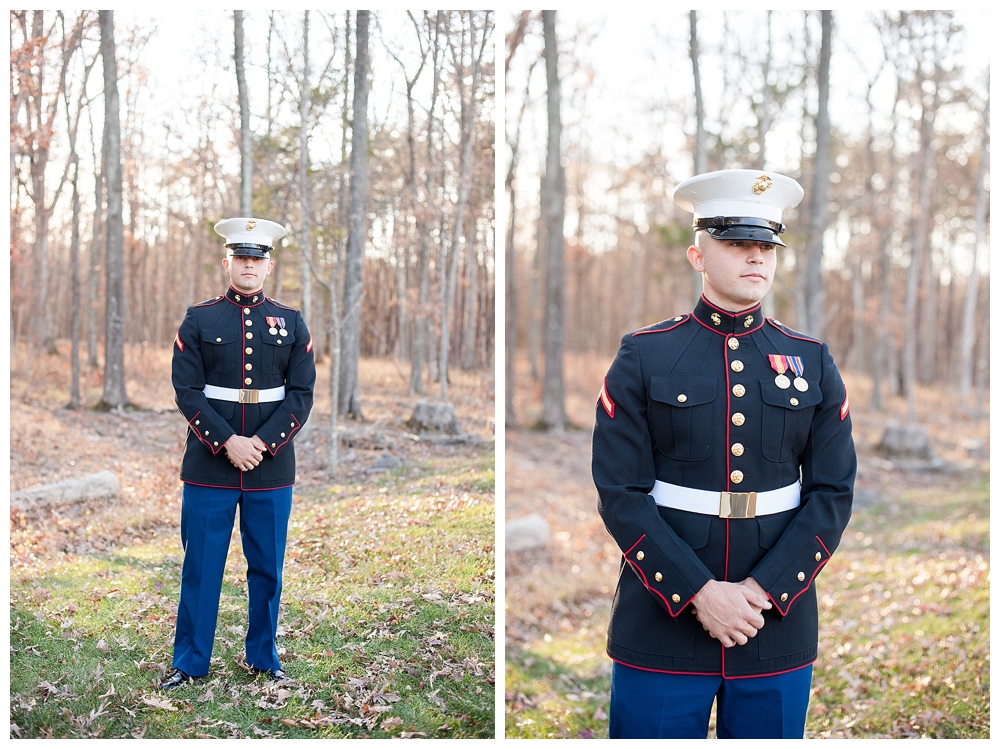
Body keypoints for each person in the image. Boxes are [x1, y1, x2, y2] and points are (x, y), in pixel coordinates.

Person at [592, 169, 856, 738]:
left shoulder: (810, 360)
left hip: (773, 621)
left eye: (765, 246)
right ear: (697, 254)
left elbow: (832, 493)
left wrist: (763, 593)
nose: (755, 258)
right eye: (736, 243)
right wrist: (699, 593)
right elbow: (620, 493)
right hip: (663, 614)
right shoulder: (644, 355)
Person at [160, 217, 315, 690]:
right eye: (241, 257)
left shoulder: (290, 321)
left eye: (258, 258)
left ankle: (264, 659)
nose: (249, 265)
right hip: (210, 463)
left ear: (269, 265)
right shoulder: (200, 318)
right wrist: (228, 441)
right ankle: (189, 664)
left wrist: (261, 444)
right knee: (202, 566)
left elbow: (301, 394)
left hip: (271, 466)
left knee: (267, 566)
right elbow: (186, 390)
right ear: (226, 261)